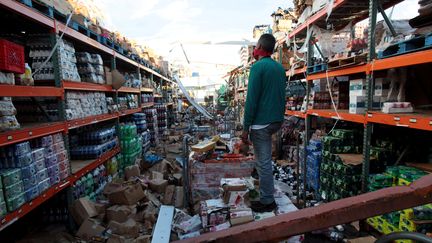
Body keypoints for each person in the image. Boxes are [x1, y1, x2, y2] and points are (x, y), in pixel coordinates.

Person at [241, 33, 286, 212]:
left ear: (259, 46)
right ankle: (266, 192)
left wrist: (245, 128)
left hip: (261, 123)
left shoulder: (258, 68)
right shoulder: (279, 68)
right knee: (264, 162)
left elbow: (251, 100)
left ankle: (268, 200)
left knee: (263, 163)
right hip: (276, 120)